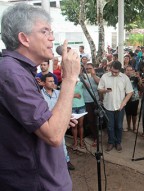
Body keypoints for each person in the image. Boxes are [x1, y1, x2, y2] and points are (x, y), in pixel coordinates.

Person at [0, 3, 80, 190]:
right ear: (24, 38)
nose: (52, 38)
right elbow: (53, 135)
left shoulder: (20, 70)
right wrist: (69, 79)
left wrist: (58, 118)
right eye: (45, 31)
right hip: (35, 182)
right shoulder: (13, 73)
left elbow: (29, 122)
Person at [41, 73, 75, 170]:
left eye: (53, 81)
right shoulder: (40, 95)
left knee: (62, 142)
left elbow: (65, 106)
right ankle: (51, 164)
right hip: (46, 123)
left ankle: (66, 161)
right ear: (43, 83)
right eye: (50, 81)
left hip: (59, 121)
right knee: (48, 143)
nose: (53, 83)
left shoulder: (58, 93)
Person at [98, 61, 133, 152]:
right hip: (108, 105)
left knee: (119, 126)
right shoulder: (104, 77)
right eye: (112, 71)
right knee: (110, 126)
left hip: (120, 106)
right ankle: (111, 142)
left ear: (120, 70)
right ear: (110, 68)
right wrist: (104, 90)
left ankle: (118, 142)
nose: (114, 73)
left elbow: (130, 92)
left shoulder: (124, 78)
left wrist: (124, 103)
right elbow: (99, 89)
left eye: (116, 72)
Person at [82, 63, 100, 147]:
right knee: (91, 120)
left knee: (97, 120)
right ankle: (95, 137)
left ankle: (97, 135)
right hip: (86, 101)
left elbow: (100, 84)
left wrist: (94, 75)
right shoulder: (81, 78)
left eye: (90, 68)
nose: (88, 70)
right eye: (87, 68)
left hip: (95, 101)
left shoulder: (96, 77)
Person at [72, 77, 86, 150]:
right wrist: (74, 96)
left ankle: (81, 141)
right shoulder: (68, 84)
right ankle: (75, 142)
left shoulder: (81, 83)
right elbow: (63, 94)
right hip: (72, 107)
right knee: (74, 125)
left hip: (81, 106)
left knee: (81, 125)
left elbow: (88, 86)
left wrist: (82, 76)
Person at [124, 66, 140, 132]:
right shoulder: (123, 78)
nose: (129, 71)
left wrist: (139, 78)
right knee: (128, 113)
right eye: (127, 70)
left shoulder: (135, 78)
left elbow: (140, 86)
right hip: (126, 98)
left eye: (130, 70)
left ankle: (134, 127)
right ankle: (128, 126)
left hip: (135, 98)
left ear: (133, 71)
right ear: (125, 71)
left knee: (134, 113)